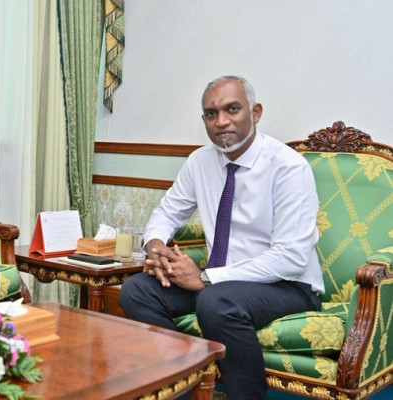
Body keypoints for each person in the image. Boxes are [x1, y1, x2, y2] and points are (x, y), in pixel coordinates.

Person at [119, 76, 324, 400]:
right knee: (137, 291)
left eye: (232, 109)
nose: (221, 121)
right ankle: (185, 391)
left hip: (287, 285)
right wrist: (155, 247)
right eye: (211, 113)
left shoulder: (288, 167)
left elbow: (291, 257)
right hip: (221, 283)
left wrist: (204, 278)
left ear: (255, 112)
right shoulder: (200, 161)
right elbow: (167, 212)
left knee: (215, 301)